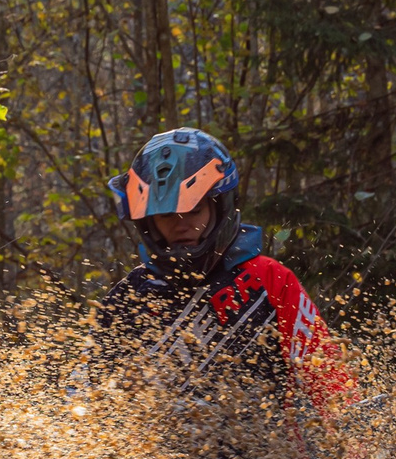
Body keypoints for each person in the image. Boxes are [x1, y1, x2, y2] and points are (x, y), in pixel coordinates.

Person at [101, 127, 356, 416]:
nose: (181, 223)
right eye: (166, 214)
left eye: (194, 209)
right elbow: (86, 392)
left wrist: (353, 431)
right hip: (161, 444)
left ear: (219, 208)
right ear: (149, 221)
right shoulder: (130, 297)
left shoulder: (268, 279)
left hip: (270, 442)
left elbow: (330, 381)